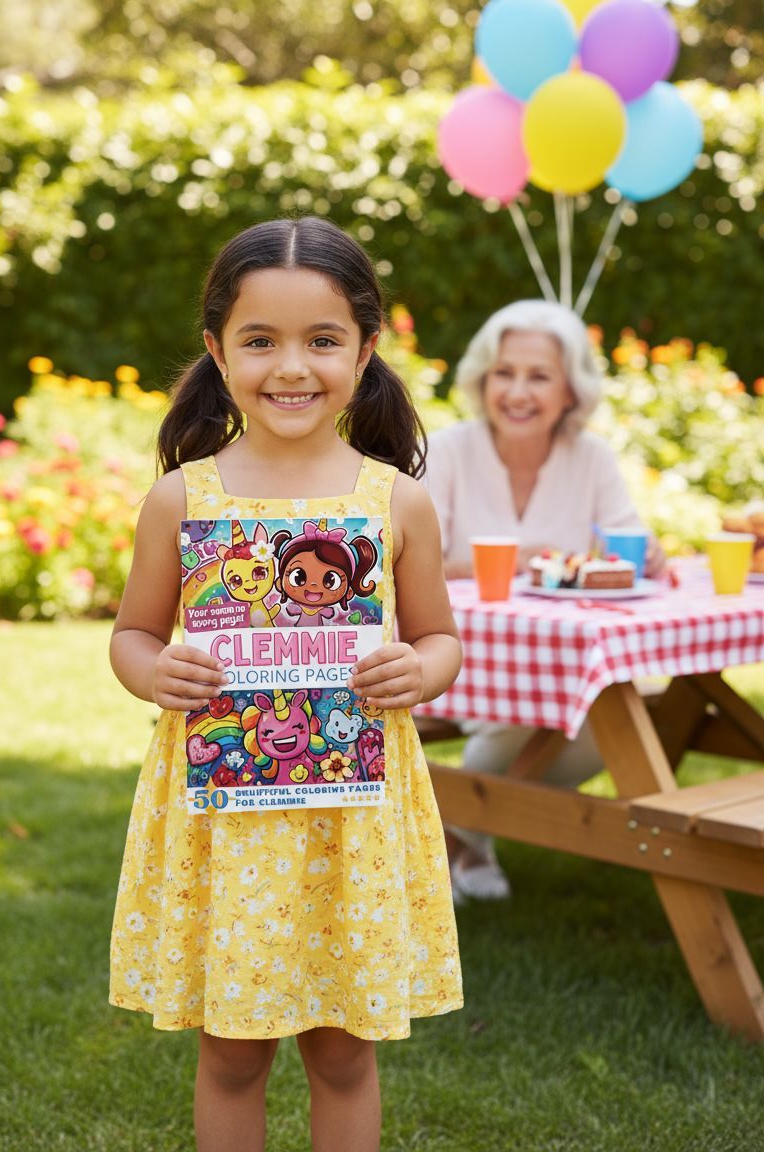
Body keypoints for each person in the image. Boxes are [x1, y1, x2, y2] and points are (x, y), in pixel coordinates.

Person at [109, 216, 463, 1152]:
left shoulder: (397, 501)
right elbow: (134, 635)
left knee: (343, 1052)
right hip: (228, 824)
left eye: (322, 340)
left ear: (366, 349)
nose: (290, 367)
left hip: (352, 815)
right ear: (218, 350)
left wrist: (415, 669)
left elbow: (439, 641)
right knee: (233, 1054)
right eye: (260, 340)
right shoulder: (184, 499)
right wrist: (159, 671)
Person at [423, 299, 665, 904]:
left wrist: (647, 552)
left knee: (631, 711)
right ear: (484, 379)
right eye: (505, 372)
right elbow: (418, 558)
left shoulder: (592, 456)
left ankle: (459, 838)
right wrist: (525, 556)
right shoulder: (451, 448)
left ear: (570, 389)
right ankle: (471, 840)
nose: (518, 391)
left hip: (554, 656)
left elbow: (623, 542)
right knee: (522, 710)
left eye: (539, 375)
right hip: (454, 647)